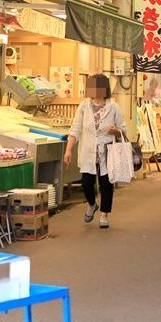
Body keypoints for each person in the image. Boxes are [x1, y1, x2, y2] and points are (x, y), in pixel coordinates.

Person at [63, 73, 127, 229]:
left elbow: (123, 129)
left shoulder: (114, 107)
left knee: (106, 183)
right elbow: (75, 129)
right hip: (88, 150)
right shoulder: (84, 106)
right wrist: (68, 150)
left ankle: (104, 214)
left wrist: (116, 131)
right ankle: (92, 204)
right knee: (86, 181)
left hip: (107, 150)